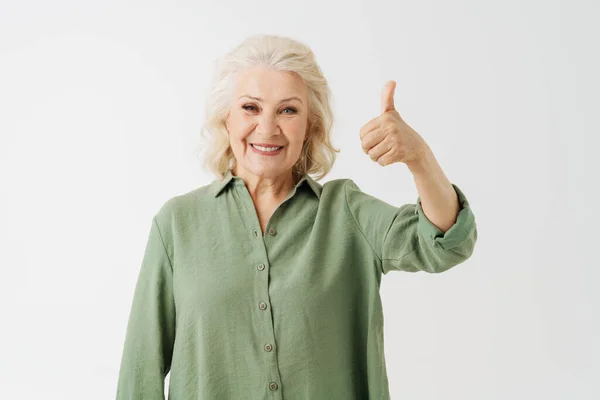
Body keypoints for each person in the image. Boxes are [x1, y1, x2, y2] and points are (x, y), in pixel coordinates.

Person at [116, 34, 478, 400]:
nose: (268, 127)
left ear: (310, 127)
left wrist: (419, 158)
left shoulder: (345, 212)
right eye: (250, 108)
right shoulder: (178, 223)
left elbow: (446, 242)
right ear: (226, 119)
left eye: (288, 110)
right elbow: (140, 371)